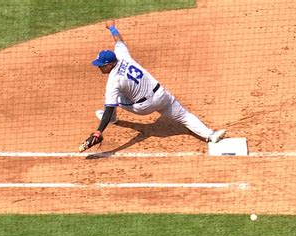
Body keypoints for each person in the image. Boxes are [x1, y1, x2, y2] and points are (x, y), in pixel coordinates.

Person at [79, 20, 226, 152]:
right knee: (184, 115)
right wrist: (112, 28)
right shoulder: (122, 56)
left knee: (112, 99)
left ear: (110, 64)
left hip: (144, 107)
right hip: (161, 95)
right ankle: (210, 135)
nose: (99, 68)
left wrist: (99, 131)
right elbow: (119, 40)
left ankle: (112, 119)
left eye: (101, 66)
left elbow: (110, 107)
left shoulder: (113, 81)